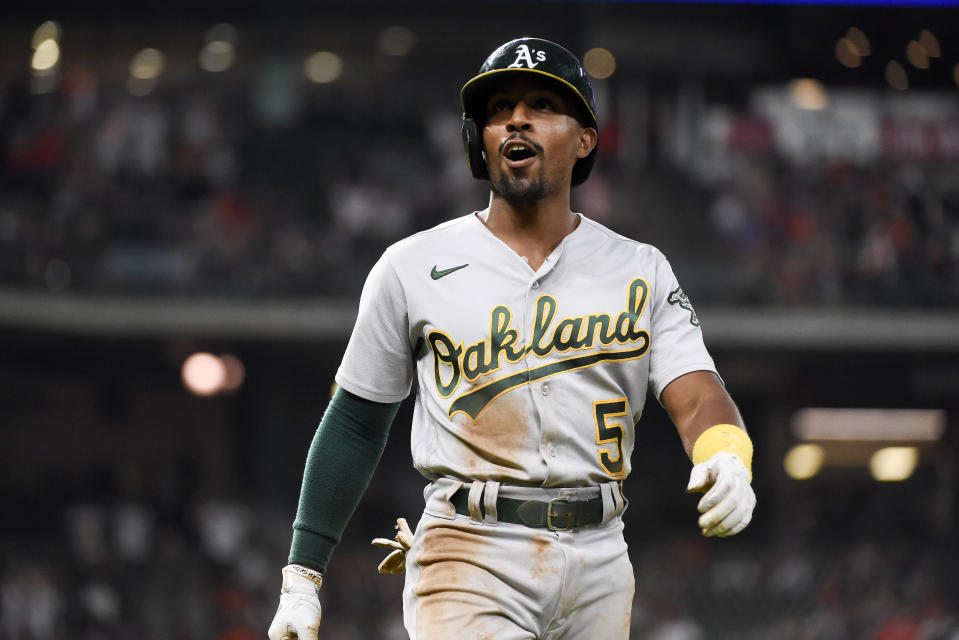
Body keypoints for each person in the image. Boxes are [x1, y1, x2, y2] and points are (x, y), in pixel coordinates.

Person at [267, 37, 756, 640]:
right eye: (500, 109)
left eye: (543, 104)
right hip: (471, 546)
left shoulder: (640, 268)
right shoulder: (412, 266)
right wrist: (301, 577)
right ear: (480, 140)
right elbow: (355, 423)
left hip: (602, 554)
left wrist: (726, 452)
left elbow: (697, 390)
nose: (517, 118)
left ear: (585, 140)